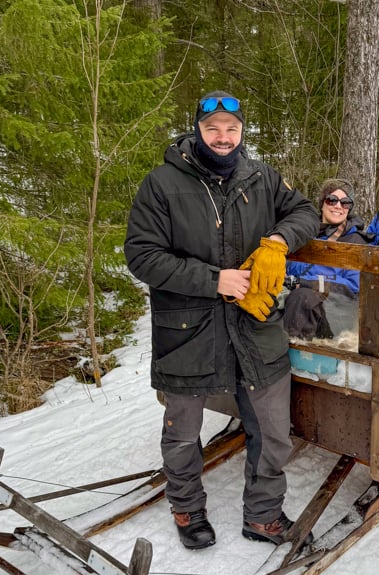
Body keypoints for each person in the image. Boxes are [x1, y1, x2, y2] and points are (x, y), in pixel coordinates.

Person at [124, 91, 319, 550]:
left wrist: (276, 240)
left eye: (232, 128)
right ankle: (187, 508)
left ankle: (264, 516)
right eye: (213, 128)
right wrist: (215, 280)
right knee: (182, 431)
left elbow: (306, 212)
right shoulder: (162, 183)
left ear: (242, 132)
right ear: (198, 130)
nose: (223, 137)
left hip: (256, 324)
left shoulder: (263, 177)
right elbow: (142, 255)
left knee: (272, 430)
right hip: (188, 327)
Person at [284, 179, 371, 339]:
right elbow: (289, 265)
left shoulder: (355, 241)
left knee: (303, 298)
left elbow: (353, 286)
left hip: (337, 306)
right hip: (294, 293)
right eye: (332, 200)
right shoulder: (304, 233)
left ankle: (293, 356)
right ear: (322, 203)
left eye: (345, 202)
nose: (338, 206)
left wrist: (306, 282)